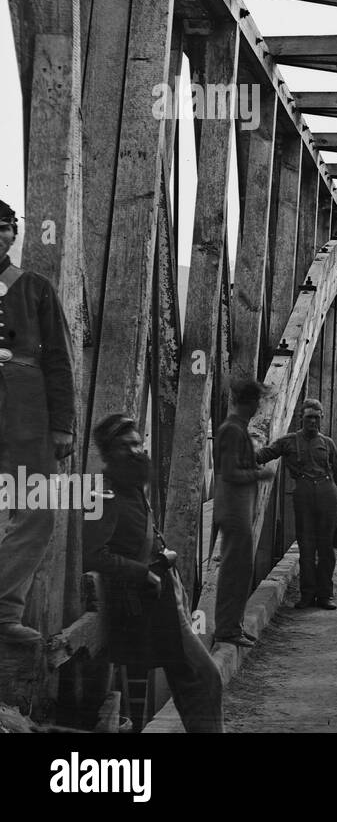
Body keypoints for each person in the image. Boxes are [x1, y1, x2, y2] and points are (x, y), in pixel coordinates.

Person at [85, 414, 223, 732]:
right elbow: (93, 554)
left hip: (166, 595)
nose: (135, 451)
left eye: (137, 443)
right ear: (107, 453)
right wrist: (141, 573)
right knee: (203, 677)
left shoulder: (131, 488)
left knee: (192, 680)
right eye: (125, 445)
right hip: (148, 601)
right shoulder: (103, 494)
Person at [0, 198, 76, 644]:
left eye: (3, 228)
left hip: (28, 410)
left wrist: (62, 424)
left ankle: (4, 610)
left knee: (38, 510)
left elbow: (61, 362)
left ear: (12, 235)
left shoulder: (35, 288)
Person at [257, 398, 337, 611]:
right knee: (306, 548)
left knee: (326, 550)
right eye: (309, 417)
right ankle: (307, 595)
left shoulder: (328, 443)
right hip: (304, 496)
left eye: (317, 417)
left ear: (322, 418)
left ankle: (326, 595)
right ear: (301, 418)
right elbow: (264, 454)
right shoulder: (288, 442)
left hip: (328, 495)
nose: (313, 422)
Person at [211, 378, 276, 646]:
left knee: (239, 569)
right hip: (234, 510)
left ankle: (233, 625)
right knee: (234, 570)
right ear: (250, 401)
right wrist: (260, 473)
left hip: (238, 509)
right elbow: (229, 472)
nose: (260, 406)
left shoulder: (236, 428)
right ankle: (227, 629)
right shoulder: (232, 430)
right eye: (259, 400)